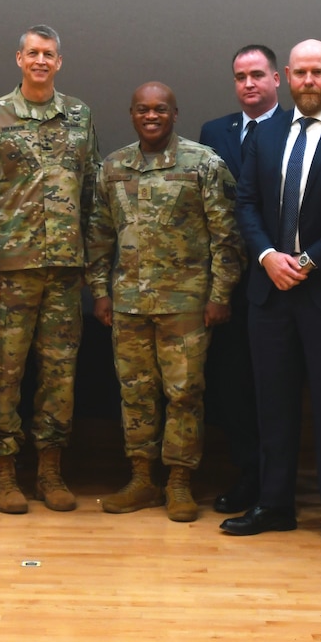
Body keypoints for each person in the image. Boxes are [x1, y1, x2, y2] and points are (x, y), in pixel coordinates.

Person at [222, 39, 321, 555]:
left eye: (319, 72)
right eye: (301, 73)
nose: (310, 81)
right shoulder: (265, 135)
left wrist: (309, 261)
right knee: (273, 405)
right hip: (270, 293)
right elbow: (245, 203)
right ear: (287, 77)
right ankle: (275, 505)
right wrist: (269, 256)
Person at [90, 82, 240, 522]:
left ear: (175, 113)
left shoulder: (203, 163)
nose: (151, 116)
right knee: (135, 393)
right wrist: (99, 291)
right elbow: (98, 235)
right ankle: (141, 479)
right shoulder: (114, 166)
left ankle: (178, 481)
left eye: (160, 109)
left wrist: (220, 294)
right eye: (142, 109)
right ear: (132, 114)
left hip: (186, 304)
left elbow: (226, 237)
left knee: (184, 394)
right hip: (129, 303)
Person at [0, 25, 101, 514]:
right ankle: (2, 473)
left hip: (66, 269)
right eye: (32, 53)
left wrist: (91, 259)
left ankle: (49, 470)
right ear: (18, 59)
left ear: (59, 62)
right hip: (9, 270)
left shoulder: (81, 115)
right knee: (4, 375)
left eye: (49, 54)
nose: (40, 60)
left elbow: (91, 193)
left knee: (59, 375)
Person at [197, 44, 288, 514]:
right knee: (235, 389)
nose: (248, 84)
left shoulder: (298, 128)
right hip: (228, 282)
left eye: (257, 75)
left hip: (283, 278)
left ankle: (280, 485)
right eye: (240, 76)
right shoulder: (215, 132)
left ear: (278, 79)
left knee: (278, 390)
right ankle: (248, 476)